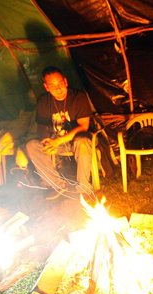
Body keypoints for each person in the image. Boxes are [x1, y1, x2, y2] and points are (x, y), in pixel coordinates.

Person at [26, 66, 93, 200]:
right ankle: (57, 185)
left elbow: (83, 126)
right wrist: (45, 139)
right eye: (52, 85)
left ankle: (84, 188)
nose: (58, 89)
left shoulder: (78, 97)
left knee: (83, 142)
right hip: (56, 141)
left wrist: (58, 141)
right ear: (46, 87)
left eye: (60, 84)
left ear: (66, 82)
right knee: (32, 145)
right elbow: (41, 126)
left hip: (77, 140)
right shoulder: (44, 101)